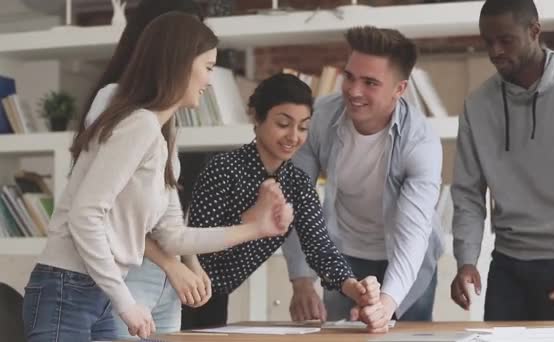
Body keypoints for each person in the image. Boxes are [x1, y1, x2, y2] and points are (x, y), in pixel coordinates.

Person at [22, 13, 293, 341]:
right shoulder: (138, 124)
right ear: (180, 64)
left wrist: (256, 228)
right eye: (207, 67)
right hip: (68, 286)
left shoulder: (160, 136)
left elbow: (173, 237)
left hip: (98, 290)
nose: (209, 81)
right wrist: (126, 303)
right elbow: (85, 215)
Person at [181, 72, 383, 332]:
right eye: (283, 123)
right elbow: (197, 249)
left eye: (303, 127)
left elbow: (320, 249)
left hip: (216, 295)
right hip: (180, 290)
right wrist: (252, 219)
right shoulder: (223, 168)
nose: (293, 136)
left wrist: (352, 286)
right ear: (257, 118)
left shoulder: (297, 184)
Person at [450, 0, 554, 321]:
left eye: (505, 40)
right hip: (506, 264)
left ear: (534, 31)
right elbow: (468, 194)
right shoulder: (478, 105)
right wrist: (466, 260)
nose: (495, 51)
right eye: (487, 41)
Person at [282, 26, 444, 329]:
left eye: (370, 82)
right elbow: (297, 201)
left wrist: (386, 303)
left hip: (408, 258)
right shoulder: (319, 119)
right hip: (343, 256)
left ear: (399, 89)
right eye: (349, 77)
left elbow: (413, 235)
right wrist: (302, 279)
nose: (354, 91)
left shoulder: (421, 143)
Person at [78, 0, 218, 339]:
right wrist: (172, 264)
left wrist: (190, 264)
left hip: (165, 281)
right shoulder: (113, 101)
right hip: (130, 277)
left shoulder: (167, 114)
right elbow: (109, 212)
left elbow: (165, 204)